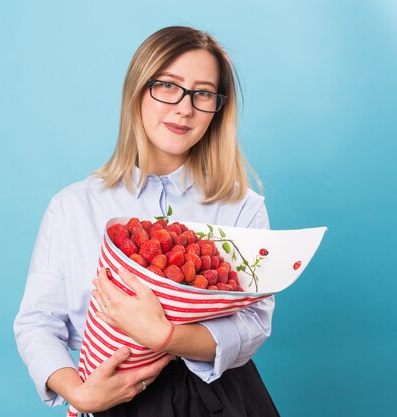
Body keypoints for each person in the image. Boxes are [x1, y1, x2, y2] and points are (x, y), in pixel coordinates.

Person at [14, 26, 280, 416]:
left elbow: (255, 323)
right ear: (137, 91)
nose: (185, 108)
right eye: (168, 86)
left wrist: (167, 336)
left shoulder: (242, 207)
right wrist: (78, 392)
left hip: (221, 399)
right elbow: (37, 323)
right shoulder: (72, 207)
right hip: (112, 399)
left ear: (217, 108)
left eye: (203, 93)